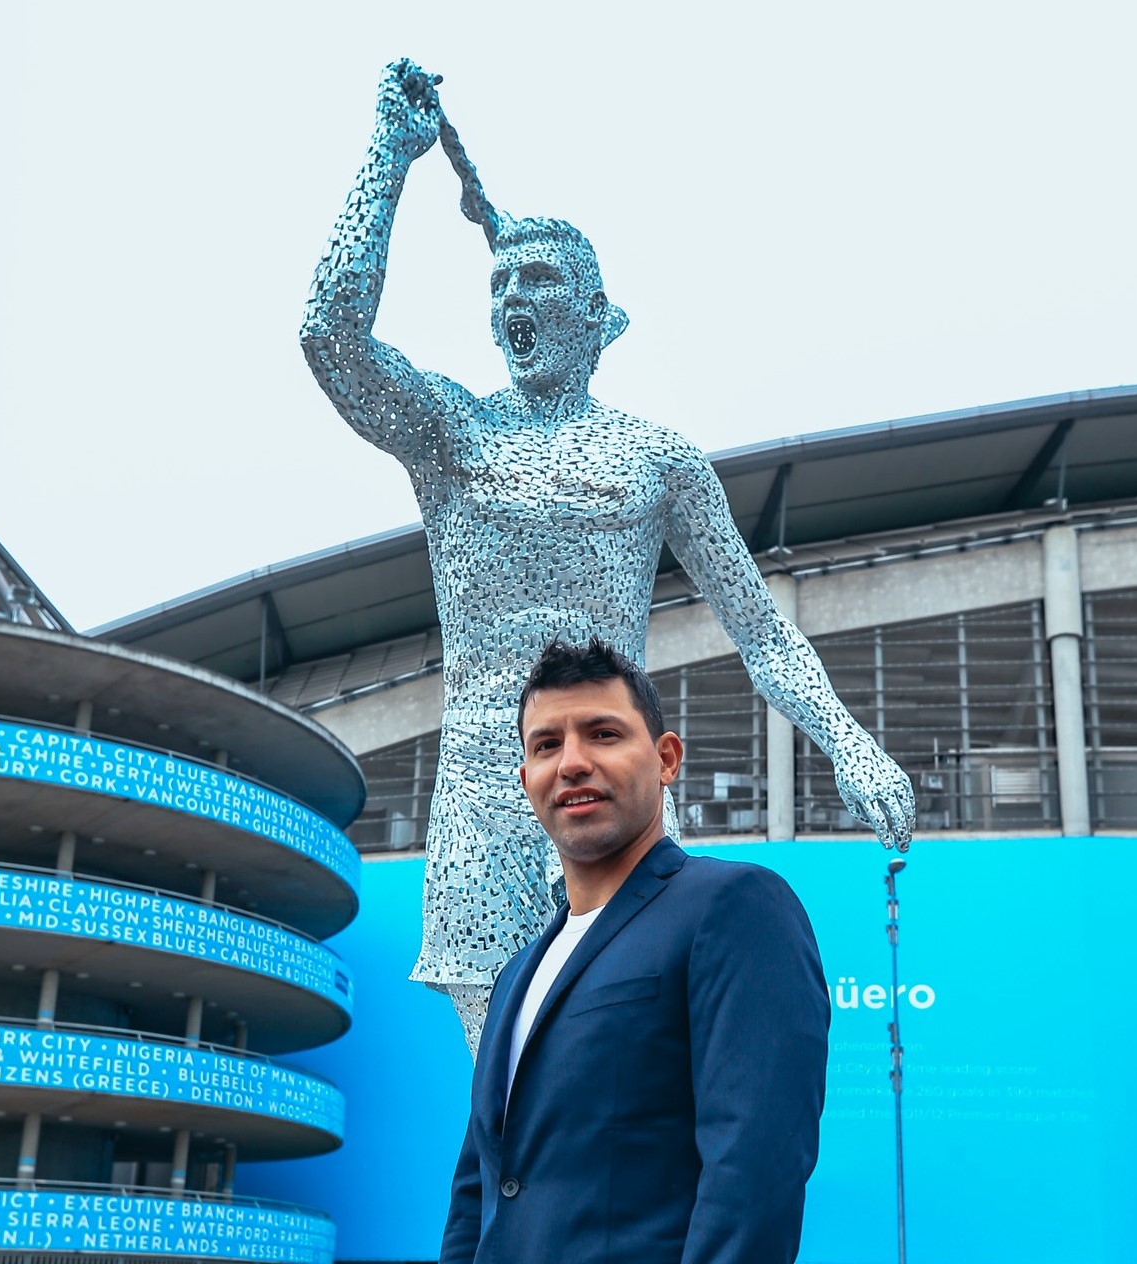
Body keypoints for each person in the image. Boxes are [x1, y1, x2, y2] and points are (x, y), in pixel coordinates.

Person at [302, 57, 913, 1053]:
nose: (512, 295)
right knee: (503, 1091)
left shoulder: (656, 459)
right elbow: (328, 333)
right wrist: (387, 159)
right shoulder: (450, 435)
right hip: (482, 800)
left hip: (607, 786)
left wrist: (846, 740)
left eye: (537, 278)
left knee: (616, 1067)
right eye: (500, 280)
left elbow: (758, 630)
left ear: (597, 317)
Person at [439, 638, 830, 1264]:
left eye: (602, 734)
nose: (571, 763)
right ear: (526, 780)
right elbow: (478, 1190)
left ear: (666, 758)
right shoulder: (516, 974)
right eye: (546, 745)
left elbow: (753, 1171)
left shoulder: (733, 906)